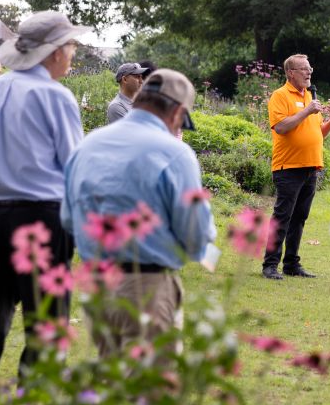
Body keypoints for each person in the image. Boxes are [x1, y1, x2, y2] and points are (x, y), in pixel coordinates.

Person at [0, 10, 85, 377]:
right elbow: (74, 165)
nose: (73, 53)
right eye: (70, 46)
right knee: (47, 318)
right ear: (54, 52)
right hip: (43, 214)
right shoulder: (56, 97)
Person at [63, 69, 217, 355]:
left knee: (110, 381)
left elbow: (68, 218)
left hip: (97, 285)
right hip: (147, 286)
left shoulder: (88, 145)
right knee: (152, 389)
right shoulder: (174, 153)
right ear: (177, 112)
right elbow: (195, 233)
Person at [261, 53, 330, 280]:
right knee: (283, 216)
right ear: (290, 73)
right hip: (288, 166)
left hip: (310, 166)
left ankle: (291, 264)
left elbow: (317, 134)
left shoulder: (309, 97)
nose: (309, 72)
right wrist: (307, 111)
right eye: (304, 69)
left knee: (300, 217)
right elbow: (281, 127)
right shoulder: (280, 95)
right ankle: (270, 265)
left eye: (310, 68)